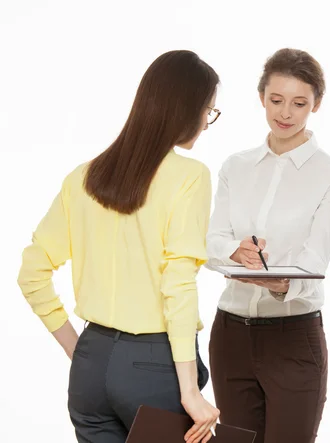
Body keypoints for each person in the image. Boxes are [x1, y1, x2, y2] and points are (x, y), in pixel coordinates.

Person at [17, 50, 221, 443]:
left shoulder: (83, 177)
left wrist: (81, 353)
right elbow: (178, 286)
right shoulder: (189, 177)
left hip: (91, 366)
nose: (206, 123)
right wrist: (190, 393)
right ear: (185, 109)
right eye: (207, 111)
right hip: (156, 366)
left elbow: (32, 273)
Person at [205, 48, 330, 443]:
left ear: (316, 104)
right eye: (276, 100)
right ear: (261, 97)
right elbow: (211, 241)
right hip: (230, 335)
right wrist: (235, 251)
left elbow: (315, 260)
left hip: (293, 339)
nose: (285, 113)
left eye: (299, 103)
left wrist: (280, 284)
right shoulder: (235, 167)